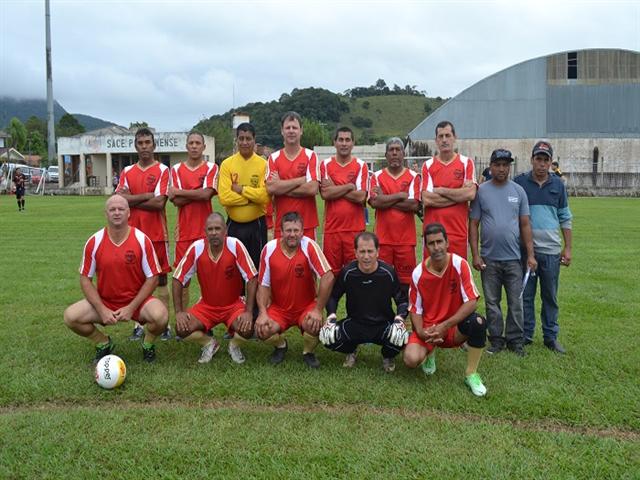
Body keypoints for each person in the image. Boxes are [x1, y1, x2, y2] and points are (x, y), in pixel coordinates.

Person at [63, 195, 168, 363]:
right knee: (71, 316)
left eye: (121, 209)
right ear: (106, 214)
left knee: (161, 316)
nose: (116, 213)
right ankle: (103, 342)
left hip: (137, 302)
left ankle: (148, 344)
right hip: (105, 301)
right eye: (112, 209)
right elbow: (85, 279)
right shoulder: (95, 241)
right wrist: (102, 309)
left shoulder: (142, 239)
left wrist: (131, 307)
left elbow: (153, 278)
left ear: (129, 213)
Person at [404, 223, 488, 397]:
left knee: (478, 322)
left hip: (453, 327)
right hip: (430, 328)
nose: (436, 247)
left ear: (447, 242)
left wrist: (445, 325)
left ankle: (471, 374)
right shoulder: (418, 273)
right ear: (425, 246)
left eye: (439, 242)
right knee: (410, 360)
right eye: (431, 243)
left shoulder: (460, 264)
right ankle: (430, 352)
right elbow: (415, 308)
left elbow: (472, 302)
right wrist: (421, 332)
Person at [469, 149, 537, 356]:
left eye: (505, 165)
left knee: (516, 301)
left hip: (514, 259)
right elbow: (474, 224)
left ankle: (515, 340)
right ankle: (496, 339)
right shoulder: (481, 191)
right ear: (490, 166)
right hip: (489, 259)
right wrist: (475, 254)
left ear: (510, 167)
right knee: (492, 302)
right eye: (497, 164)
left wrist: (531, 255)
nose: (501, 168)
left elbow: (525, 225)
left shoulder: (518, 192)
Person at [172, 213, 258, 364]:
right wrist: (179, 312)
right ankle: (209, 343)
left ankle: (234, 345)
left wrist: (248, 312)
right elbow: (177, 278)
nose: (214, 233)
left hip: (233, 305)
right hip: (207, 306)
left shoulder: (235, 245)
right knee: (182, 329)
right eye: (210, 229)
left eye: (217, 229)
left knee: (247, 329)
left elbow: (252, 278)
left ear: (225, 230)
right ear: (205, 232)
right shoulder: (197, 248)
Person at [514, 141, 573, 353]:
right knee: (526, 295)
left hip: (550, 252)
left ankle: (550, 336)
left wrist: (567, 248)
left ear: (550, 163)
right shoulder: (520, 183)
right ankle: (526, 334)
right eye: (538, 159)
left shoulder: (558, 185)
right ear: (532, 160)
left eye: (545, 160)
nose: (541, 164)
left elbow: (565, 217)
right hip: (526, 252)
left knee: (550, 295)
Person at [255, 211, 334, 368]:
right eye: (288, 231)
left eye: (296, 230)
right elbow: (263, 285)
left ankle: (308, 352)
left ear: (302, 231)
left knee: (314, 325)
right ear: (281, 232)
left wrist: (318, 309)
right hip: (279, 308)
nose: (292, 235)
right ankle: (281, 345)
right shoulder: (269, 249)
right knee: (262, 330)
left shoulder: (309, 246)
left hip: (306, 307)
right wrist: (263, 313)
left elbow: (328, 276)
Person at [321, 232, 409, 372]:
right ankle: (352, 349)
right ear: (355, 252)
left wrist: (399, 319)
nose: (366, 256)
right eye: (362, 251)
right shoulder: (348, 272)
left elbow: (402, 300)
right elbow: (333, 296)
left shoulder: (388, 273)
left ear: (377, 252)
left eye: (370, 251)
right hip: (355, 323)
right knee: (327, 337)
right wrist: (331, 316)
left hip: (383, 324)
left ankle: (387, 356)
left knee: (400, 337)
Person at [116, 127, 172, 341]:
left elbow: (159, 203)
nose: (144, 146)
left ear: (154, 145)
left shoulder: (163, 170)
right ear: (135, 146)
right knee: (136, 281)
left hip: (157, 234)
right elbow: (121, 201)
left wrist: (134, 197)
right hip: (132, 236)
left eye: (148, 142)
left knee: (161, 280)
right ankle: (140, 324)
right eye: (140, 143)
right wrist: (148, 194)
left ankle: (164, 324)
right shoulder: (128, 171)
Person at [368, 137, 420, 305]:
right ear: (386, 154)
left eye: (398, 150)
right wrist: (399, 195)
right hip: (383, 241)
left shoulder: (413, 177)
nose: (395, 153)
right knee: (381, 283)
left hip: (405, 242)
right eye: (392, 150)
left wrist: (386, 198)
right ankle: (383, 321)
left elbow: (413, 204)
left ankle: (401, 321)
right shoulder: (376, 176)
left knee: (405, 285)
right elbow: (375, 202)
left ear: (403, 154)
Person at [169, 131, 218, 309]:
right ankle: (183, 320)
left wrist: (181, 192)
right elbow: (176, 201)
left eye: (198, 143)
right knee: (183, 280)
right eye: (191, 143)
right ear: (186, 146)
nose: (195, 146)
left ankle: (210, 317)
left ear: (204, 147)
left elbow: (207, 195)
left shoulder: (211, 168)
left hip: (208, 232)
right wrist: (199, 191)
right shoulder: (176, 170)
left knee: (211, 278)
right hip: (184, 232)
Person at [421, 121, 476, 258]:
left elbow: (470, 194)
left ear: (454, 137)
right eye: (441, 136)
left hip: (458, 233)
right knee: (433, 276)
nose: (444, 140)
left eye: (448, 135)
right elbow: (427, 199)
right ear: (436, 140)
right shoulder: (427, 165)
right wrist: (458, 195)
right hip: (432, 236)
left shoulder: (466, 163)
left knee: (456, 276)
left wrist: (440, 190)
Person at [218, 123, 270, 269]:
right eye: (241, 138)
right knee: (233, 268)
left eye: (248, 138)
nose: (245, 142)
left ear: (254, 140)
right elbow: (224, 197)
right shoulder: (227, 164)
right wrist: (251, 199)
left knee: (257, 268)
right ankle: (237, 293)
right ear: (237, 140)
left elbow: (265, 197)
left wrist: (241, 189)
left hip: (257, 225)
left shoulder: (263, 164)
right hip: (233, 224)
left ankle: (254, 293)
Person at [319, 126, 368, 273]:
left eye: (348, 140)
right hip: (332, 230)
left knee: (355, 274)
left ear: (353, 143)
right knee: (331, 275)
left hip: (355, 230)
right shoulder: (325, 164)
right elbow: (325, 194)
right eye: (340, 139)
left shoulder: (361, 165)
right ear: (334, 142)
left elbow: (361, 197)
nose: (344, 143)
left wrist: (336, 187)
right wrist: (349, 186)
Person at [266, 111, 320, 239]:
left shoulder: (311, 155)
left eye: (294, 127)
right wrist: (301, 180)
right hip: (282, 226)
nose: (291, 131)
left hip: (307, 224)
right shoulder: (274, 158)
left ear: (301, 131)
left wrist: (281, 185)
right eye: (287, 127)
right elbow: (271, 188)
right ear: (282, 131)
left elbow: (312, 189)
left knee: (308, 259)